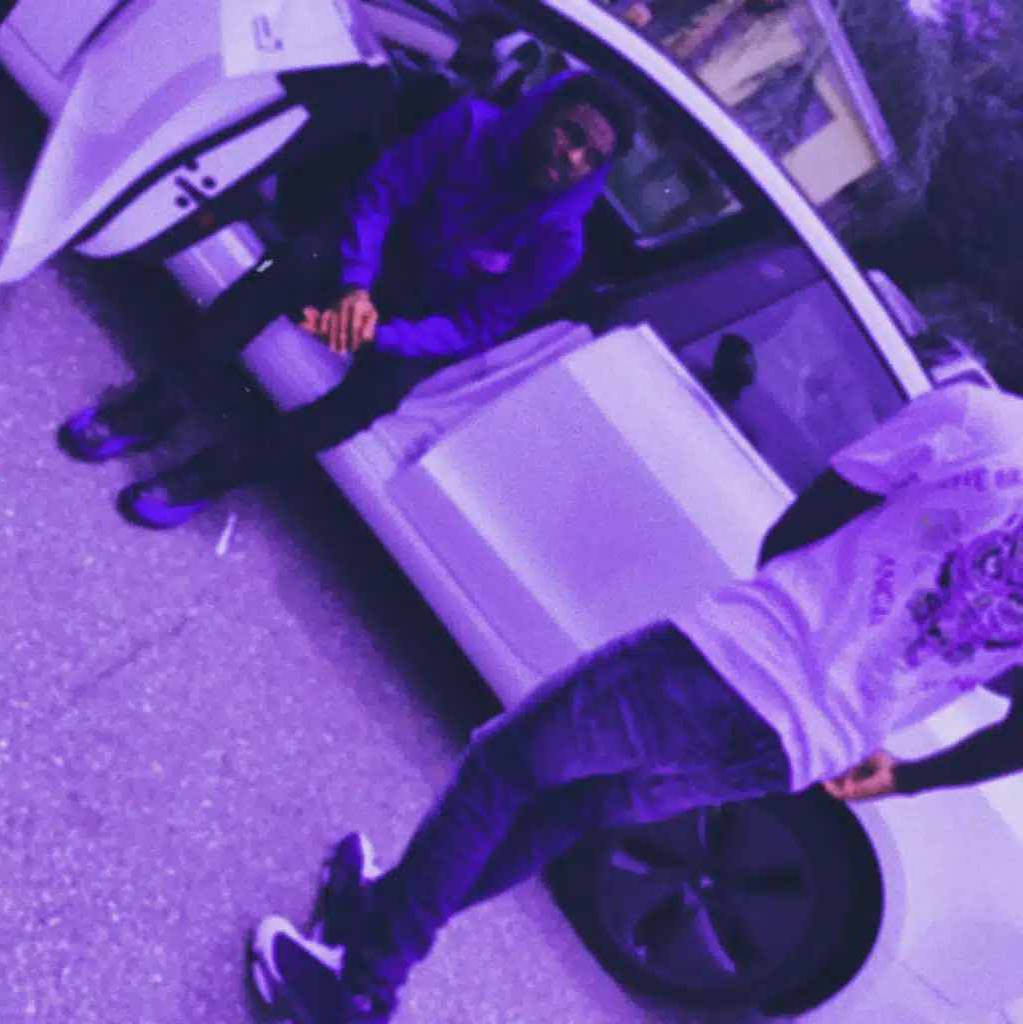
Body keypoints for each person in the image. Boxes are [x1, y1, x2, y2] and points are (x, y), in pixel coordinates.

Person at [248, 380, 1023, 1023]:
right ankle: (379, 913)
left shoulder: (980, 421)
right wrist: (908, 774)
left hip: (741, 660)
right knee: (566, 809)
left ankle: (363, 988)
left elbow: (800, 529)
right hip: (802, 748)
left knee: (503, 770)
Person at [56, 70, 636, 528]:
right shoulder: (468, 126)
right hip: (374, 253)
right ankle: (158, 403)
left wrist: (377, 334)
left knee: (378, 395)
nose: (573, 159)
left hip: (422, 314)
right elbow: (381, 192)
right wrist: (355, 286)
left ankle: (213, 474)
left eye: (592, 157)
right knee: (293, 262)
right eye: (572, 133)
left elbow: (476, 323)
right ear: (545, 112)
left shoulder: (562, 241)